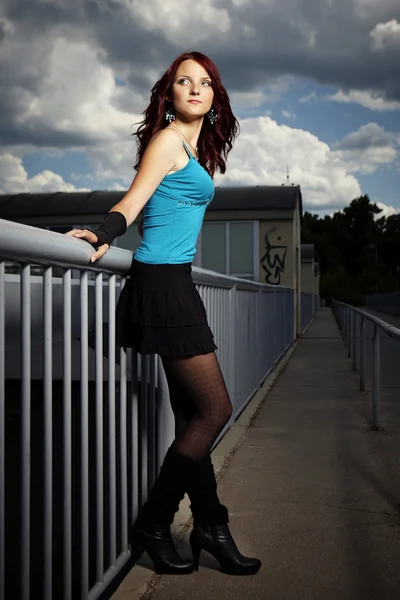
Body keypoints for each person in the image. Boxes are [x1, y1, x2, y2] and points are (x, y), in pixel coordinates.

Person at [66, 51, 261, 577]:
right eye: (184, 81)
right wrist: (103, 233)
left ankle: (212, 526)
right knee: (215, 410)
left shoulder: (193, 151)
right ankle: (155, 523)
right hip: (161, 284)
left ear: (214, 97)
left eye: (205, 83)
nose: (195, 89)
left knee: (190, 414)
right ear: (169, 94)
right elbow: (133, 202)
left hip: (175, 281)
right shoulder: (169, 140)